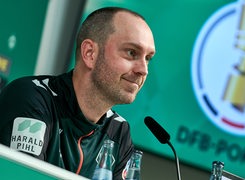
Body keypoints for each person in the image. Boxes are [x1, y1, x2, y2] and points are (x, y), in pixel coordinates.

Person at [0, 7, 155, 180]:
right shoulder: (32, 97)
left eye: (148, 58)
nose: (144, 70)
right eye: (131, 53)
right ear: (90, 53)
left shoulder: (118, 131)